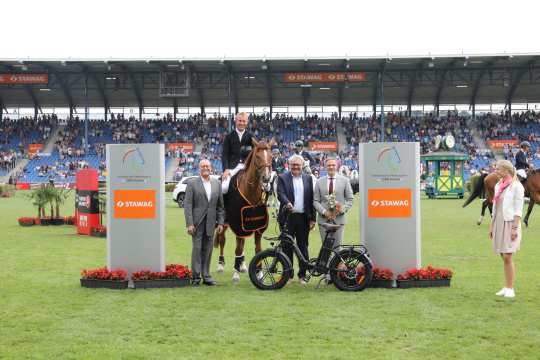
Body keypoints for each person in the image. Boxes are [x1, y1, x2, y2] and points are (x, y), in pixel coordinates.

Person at [184, 159, 225, 286]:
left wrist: (220, 223)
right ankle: (196, 277)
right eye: (203, 166)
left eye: (207, 166)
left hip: (211, 223)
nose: (205, 168)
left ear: (211, 168)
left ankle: (206, 276)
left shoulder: (217, 184)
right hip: (196, 223)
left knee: (208, 250)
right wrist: (189, 223)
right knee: (197, 249)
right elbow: (188, 205)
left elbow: (220, 207)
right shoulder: (192, 183)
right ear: (199, 168)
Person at [276, 154, 316, 284]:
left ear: (302, 166)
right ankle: (289, 275)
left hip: (303, 217)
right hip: (287, 218)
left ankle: (302, 275)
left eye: (298, 165)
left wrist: (312, 218)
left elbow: (311, 200)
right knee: (287, 246)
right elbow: (280, 193)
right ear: (289, 165)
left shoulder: (308, 178)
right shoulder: (282, 177)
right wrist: (287, 202)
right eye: (293, 165)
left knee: (303, 246)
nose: (295, 167)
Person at [489, 159, 524, 298]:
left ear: (506, 170)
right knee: (503, 255)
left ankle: (510, 288)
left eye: (498, 169)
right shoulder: (498, 185)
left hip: (510, 223)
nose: (496, 171)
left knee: (508, 256)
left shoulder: (517, 186)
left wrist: (515, 228)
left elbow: (518, 210)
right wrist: (492, 226)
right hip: (498, 222)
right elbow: (495, 207)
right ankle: (506, 286)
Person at [313, 157, 354, 267]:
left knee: (338, 248)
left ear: (337, 166)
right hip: (324, 220)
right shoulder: (319, 181)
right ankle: (327, 274)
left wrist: (341, 210)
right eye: (329, 165)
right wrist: (324, 211)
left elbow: (350, 199)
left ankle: (337, 274)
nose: (331, 167)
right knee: (326, 248)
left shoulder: (345, 181)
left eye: (333, 165)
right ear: (325, 167)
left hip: (339, 219)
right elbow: (315, 200)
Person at [221, 112, 254, 193]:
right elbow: (224, 155)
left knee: (263, 186)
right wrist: (225, 169)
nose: (242, 123)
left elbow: (254, 154)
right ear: (235, 121)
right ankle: (223, 205)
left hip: (247, 167)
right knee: (224, 188)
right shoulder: (229, 136)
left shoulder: (251, 136)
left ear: (247, 122)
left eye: (244, 121)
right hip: (232, 168)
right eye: (240, 121)